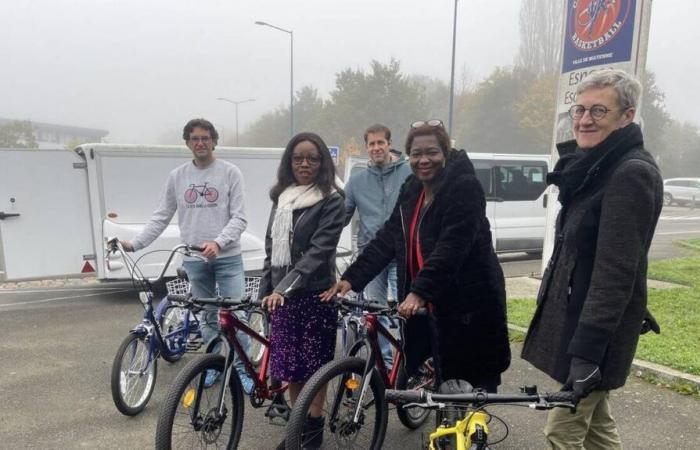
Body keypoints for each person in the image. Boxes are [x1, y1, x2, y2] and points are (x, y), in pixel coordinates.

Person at [521, 69, 663, 450]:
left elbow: (616, 271)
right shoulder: (595, 167)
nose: (584, 120)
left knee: (561, 431)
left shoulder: (629, 173)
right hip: (578, 322)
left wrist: (587, 352)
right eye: (579, 110)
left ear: (626, 116)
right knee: (598, 428)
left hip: (594, 334)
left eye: (599, 111)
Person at [323, 119, 511, 392]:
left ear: (445, 154)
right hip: (432, 303)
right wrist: (351, 279)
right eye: (417, 154)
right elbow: (388, 238)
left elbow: (453, 245)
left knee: (471, 390)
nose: (424, 160)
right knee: (441, 386)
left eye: (432, 152)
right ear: (408, 156)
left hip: (467, 302)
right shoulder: (412, 188)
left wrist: (420, 291)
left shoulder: (465, 187)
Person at [120, 118, 254, 393]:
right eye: (195, 139)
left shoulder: (230, 173)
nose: (201, 143)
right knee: (206, 317)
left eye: (206, 138)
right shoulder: (177, 177)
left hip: (227, 258)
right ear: (188, 143)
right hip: (194, 260)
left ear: (214, 141)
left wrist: (218, 242)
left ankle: (243, 370)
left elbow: (240, 218)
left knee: (236, 315)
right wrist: (135, 244)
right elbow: (161, 216)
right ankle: (215, 366)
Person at [258, 132, 345, 450]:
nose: (305, 163)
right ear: (289, 162)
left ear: (322, 162)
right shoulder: (281, 198)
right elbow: (271, 250)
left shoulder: (332, 200)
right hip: (282, 298)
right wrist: (265, 292)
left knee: (314, 369)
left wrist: (283, 288)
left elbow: (318, 252)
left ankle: (313, 433)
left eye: (312, 158)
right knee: (292, 369)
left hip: (314, 295)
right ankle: (298, 429)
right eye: (298, 158)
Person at [344, 124, 412, 367]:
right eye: (371, 144)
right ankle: (384, 365)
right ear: (366, 147)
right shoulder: (356, 181)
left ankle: (410, 361)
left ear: (389, 143)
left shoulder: (409, 172)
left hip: (403, 254)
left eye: (380, 143)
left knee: (407, 310)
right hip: (372, 257)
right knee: (375, 311)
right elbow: (342, 216)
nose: (376, 148)